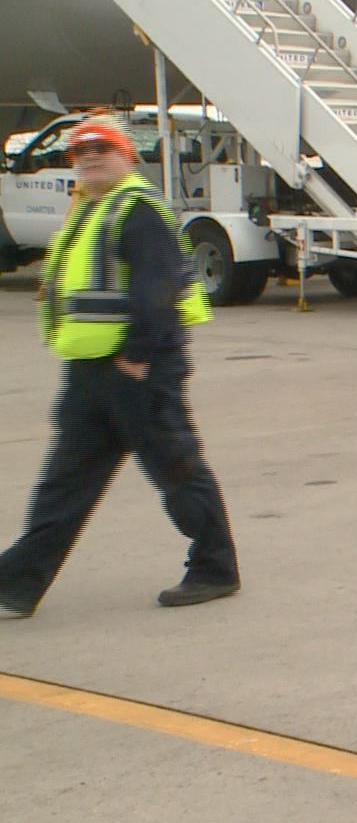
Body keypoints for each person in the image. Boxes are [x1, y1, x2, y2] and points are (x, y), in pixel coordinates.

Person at [0, 116, 234, 618]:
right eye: (77, 153)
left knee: (175, 469)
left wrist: (139, 354)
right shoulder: (90, 210)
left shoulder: (139, 210)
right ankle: (16, 583)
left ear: (127, 155)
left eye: (100, 149)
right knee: (63, 481)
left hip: (137, 369)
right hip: (88, 370)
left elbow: (161, 285)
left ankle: (215, 568)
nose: (87, 159)